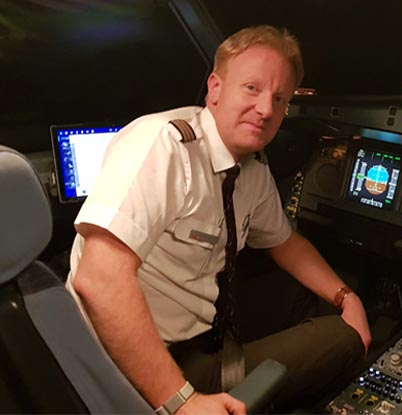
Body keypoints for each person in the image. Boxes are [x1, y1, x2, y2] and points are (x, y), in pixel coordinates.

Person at [66, 25, 371, 415]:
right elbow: (98, 279)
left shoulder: (251, 169)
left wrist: (346, 297)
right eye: (252, 88)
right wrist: (184, 402)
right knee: (345, 339)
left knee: (309, 296)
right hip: (140, 360)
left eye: (279, 98)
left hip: (204, 323)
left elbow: (284, 242)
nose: (266, 109)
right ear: (215, 88)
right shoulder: (161, 145)